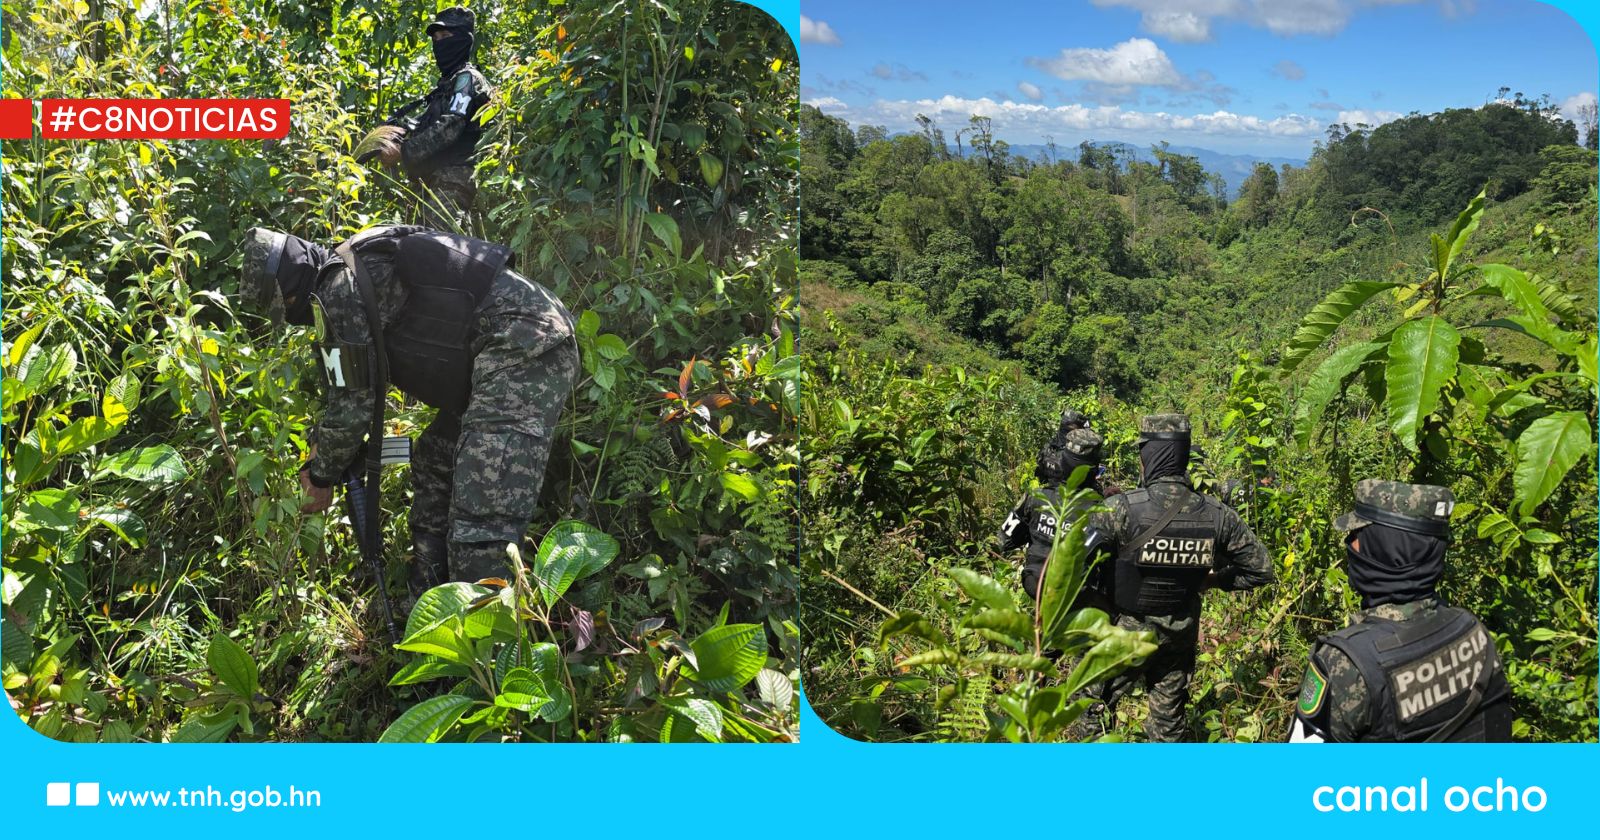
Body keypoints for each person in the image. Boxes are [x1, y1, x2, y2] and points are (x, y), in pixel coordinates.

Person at [240, 224, 577, 588]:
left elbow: (354, 404)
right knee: (435, 461)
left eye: (286, 305)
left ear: (289, 291)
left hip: (522, 344)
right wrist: (325, 445)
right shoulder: (351, 263)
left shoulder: (338, 288)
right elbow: (348, 386)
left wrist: (321, 475)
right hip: (500, 348)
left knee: (483, 507)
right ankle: (430, 595)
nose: (292, 313)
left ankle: (484, 632)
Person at [1089, 413, 1273, 741]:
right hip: (1179, 636)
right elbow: (1260, 569)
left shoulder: (1120, 510)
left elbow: (1074, 563)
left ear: (1149, 455)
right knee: (1168, 722)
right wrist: (1213, 581)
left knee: (1090, 707)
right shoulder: (1218, 515)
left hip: (1127, 634)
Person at [1289, 480, 1512, 743]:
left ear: (1385, 546)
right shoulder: (1473, 632)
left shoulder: (1347, 665)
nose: (1349, 543)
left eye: (1357, 535)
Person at [366, 7, 493, 229]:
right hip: (431, 185)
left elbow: (451, 126)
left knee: (437, 254)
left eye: (445, 36)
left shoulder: (466, 79)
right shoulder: (444, 88)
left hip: (454, 182)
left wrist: (403, 151)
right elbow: (429, 128)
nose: (439, 43)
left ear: (463, 39)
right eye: (435, 38)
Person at [999, 427, 1107, 605]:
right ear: (1094, 471)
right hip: (1075, 594)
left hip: (1035, 583)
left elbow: (1005, 540)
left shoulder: (1036, 497)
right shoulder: (1101, 511)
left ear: (1063, 463)